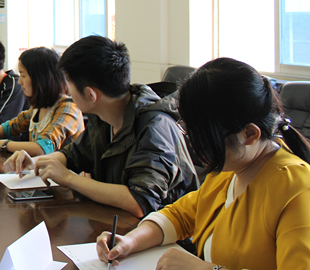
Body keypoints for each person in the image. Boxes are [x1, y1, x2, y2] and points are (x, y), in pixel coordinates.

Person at [96, 58, 310, 270]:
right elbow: (180, 215)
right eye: (189, 131)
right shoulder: (231, 168)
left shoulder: (297, 190)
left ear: (250, 134)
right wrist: (130, 241)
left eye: (205, 137)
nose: (193, 146)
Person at [4, 35, 198, 218]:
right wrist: (37, 162)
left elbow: (140, 202)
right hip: (117, 225)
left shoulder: (155, 128)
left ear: (91, 95)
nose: (67, 90)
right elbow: (74, 154)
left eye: (69, 83)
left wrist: (68, 178)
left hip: (161, 235)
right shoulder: (103, 117)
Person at [0, 46, 84, 154]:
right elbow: (10, 127)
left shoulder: (67, 106)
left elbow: (43, 148)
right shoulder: (39, 106)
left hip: (64, 179)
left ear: (41, 78)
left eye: (23, 76)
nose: (20, 82)